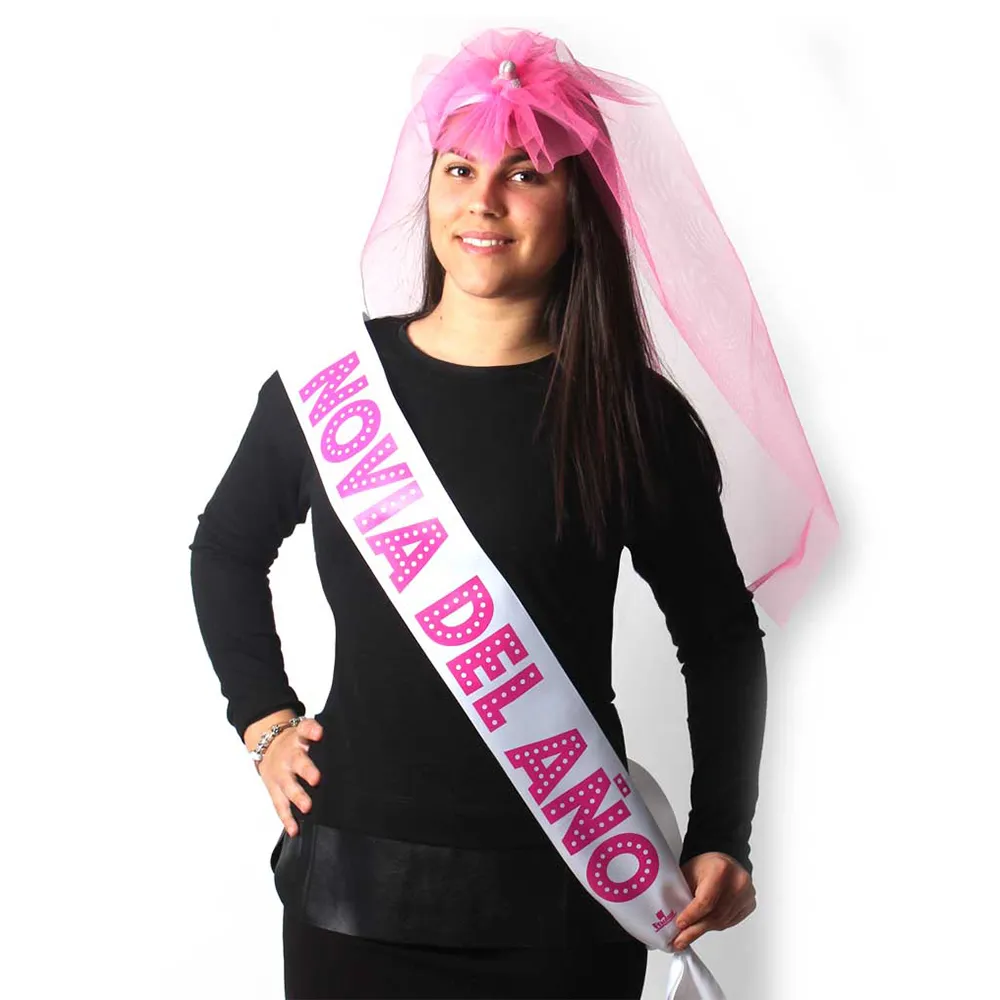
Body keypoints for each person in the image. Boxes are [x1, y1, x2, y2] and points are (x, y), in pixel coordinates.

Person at [189, 26, 827, 1000]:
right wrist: (263, 720)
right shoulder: (328, 395)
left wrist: (722, 833)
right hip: (353, 890)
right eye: (459, 169)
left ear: (580, 205)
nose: (482, 201)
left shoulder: (632, 415)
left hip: (567, 898)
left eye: (524, 174)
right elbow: (227, 550)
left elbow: (718, 636)